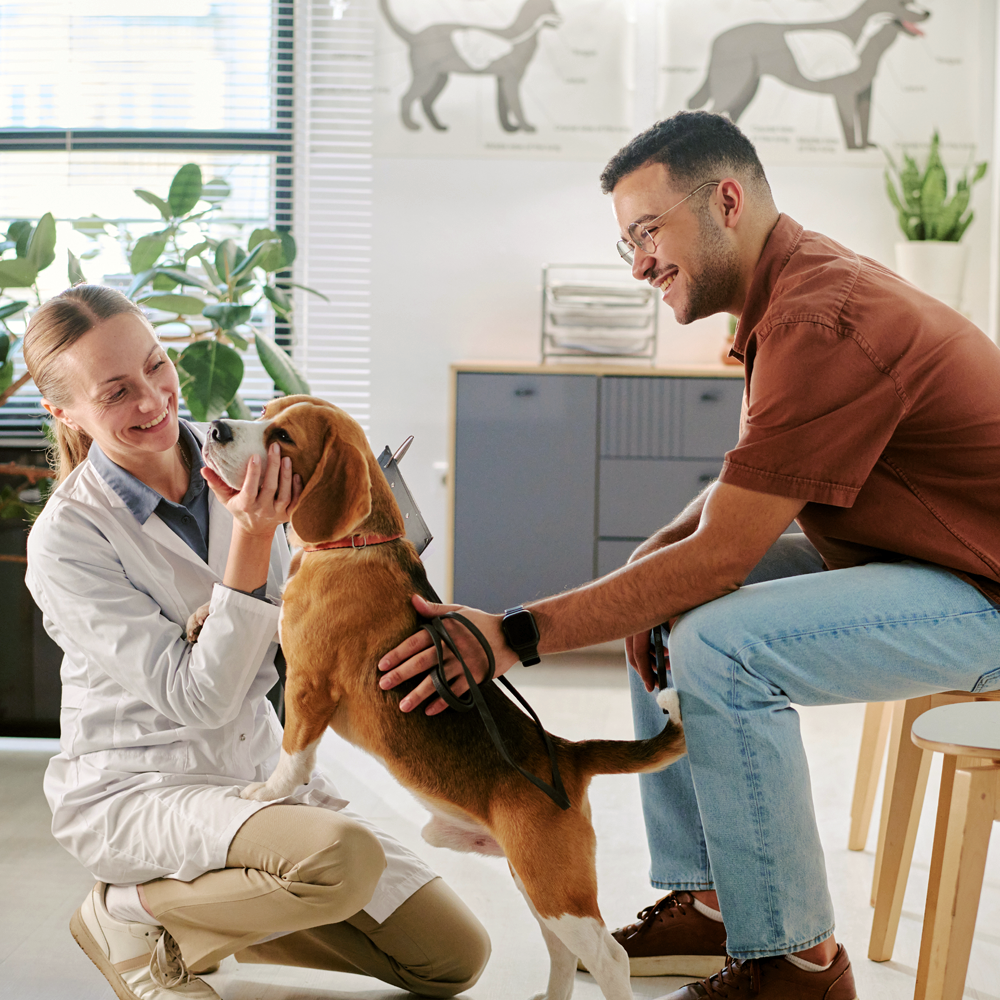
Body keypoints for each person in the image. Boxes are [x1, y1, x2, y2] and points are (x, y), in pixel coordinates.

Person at [377, 110, 1000, 1000]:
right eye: (625, 241)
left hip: (984, 590)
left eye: (646, 232)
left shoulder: (818, 318)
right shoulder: (791, 293)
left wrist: (513, 633)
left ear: (728, 201)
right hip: (920, 555)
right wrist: (658, 552)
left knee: (720, 640)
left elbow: (722, 560)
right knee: (657, 591)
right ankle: (709, 904)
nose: (636, 264)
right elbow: (752, 480)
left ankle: (798, 966)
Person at [24, 285, 490, 1000]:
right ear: (64, 412)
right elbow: (198, 699)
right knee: (343, 859)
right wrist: (252, 537)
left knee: (452, 958)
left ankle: (195, 923)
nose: (152, 401)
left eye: (155, 367)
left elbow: (321, 632)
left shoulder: (248, 455)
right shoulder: (67, 539)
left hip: (249, 766)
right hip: (141, 784)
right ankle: (122, 912)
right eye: (116, 391)